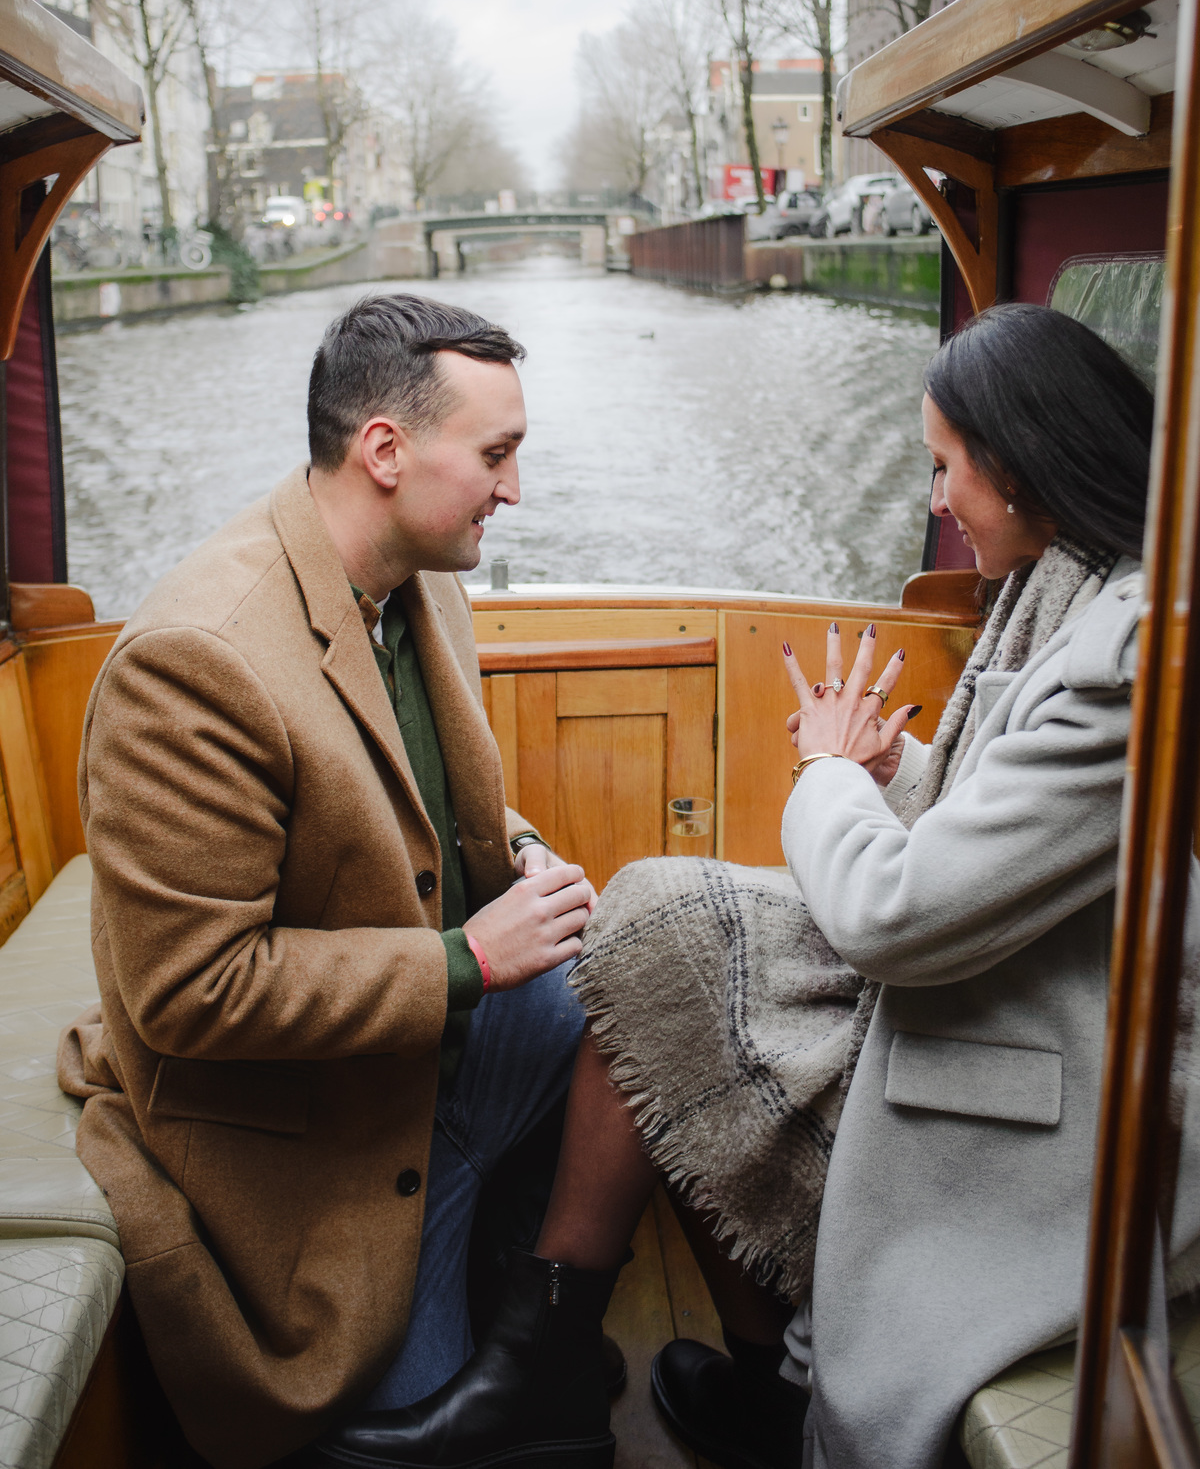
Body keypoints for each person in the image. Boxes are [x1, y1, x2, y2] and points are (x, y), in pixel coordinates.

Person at [324, 302, 1200, 1469]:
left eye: (946, 466)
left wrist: (830, 769)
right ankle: (667, 1372)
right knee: (660, 948)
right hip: (1022, 993)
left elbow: (896, 916)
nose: (940, 499)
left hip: (1065, 1084)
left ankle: (588, 1370)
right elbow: (1020, 832)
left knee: (663, 974)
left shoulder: (1123, 656)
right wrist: (893, 770)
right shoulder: (1077, 595)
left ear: (1024, 463)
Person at [57, 293, 598, 1469]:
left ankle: (540, 1320)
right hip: (318, 1136)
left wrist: (521, 857)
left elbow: (428, 798)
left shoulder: (419, 577)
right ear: (386, 452)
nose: (515, 490)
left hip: (421, 1057)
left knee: (654, 971)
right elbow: (190, 990)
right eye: (497, 455)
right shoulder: (198, 662)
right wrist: (471, 956)